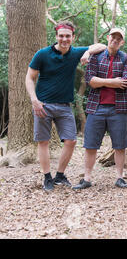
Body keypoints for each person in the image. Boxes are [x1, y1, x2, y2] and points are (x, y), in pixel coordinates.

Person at [25, 20, 106, 191]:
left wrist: (88, 52)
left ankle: (60, 175)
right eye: (61, 36)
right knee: (43, 142)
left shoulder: (76, 53)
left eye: (67, 36)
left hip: (64, 106)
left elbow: (102, 45)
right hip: (43, 105)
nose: (64, 39)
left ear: (73, 37)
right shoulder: (42, 54)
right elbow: (29, 77)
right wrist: (34, 100)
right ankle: (47, 177)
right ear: (56, 36)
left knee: (71, 141)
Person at [72, 27, 127, 190]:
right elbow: (90, 80)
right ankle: (86, 178)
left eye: (119, 38)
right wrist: (114, 81)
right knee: (90, 145)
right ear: (108, 37)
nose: (115, 40)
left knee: (120, 145)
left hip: (118, 108)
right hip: (96, 107)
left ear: (122, 42)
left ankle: (120, 177)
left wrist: (102, 81)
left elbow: (126, 82)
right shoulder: (96, 57)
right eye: (113, 36)